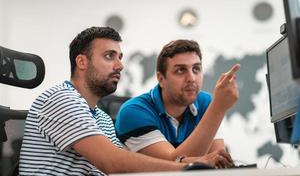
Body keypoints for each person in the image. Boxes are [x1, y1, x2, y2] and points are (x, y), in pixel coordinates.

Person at [19, 27, 198, 175]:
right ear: (82, 62)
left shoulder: (102, 118)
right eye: (109, 56)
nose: (120, 65)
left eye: (119, 57)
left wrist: (197, 162)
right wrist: (188, 168)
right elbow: (113, 163)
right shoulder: (60, 99)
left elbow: (122, 165)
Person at [115, 39, 240, 167]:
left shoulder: (206, 102)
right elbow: (171, 166)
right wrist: (217, 109)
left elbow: (218, 162)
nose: (191, 78)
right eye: (181, 70)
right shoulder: (133, 112)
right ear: (161, 79)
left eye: (196, 69)